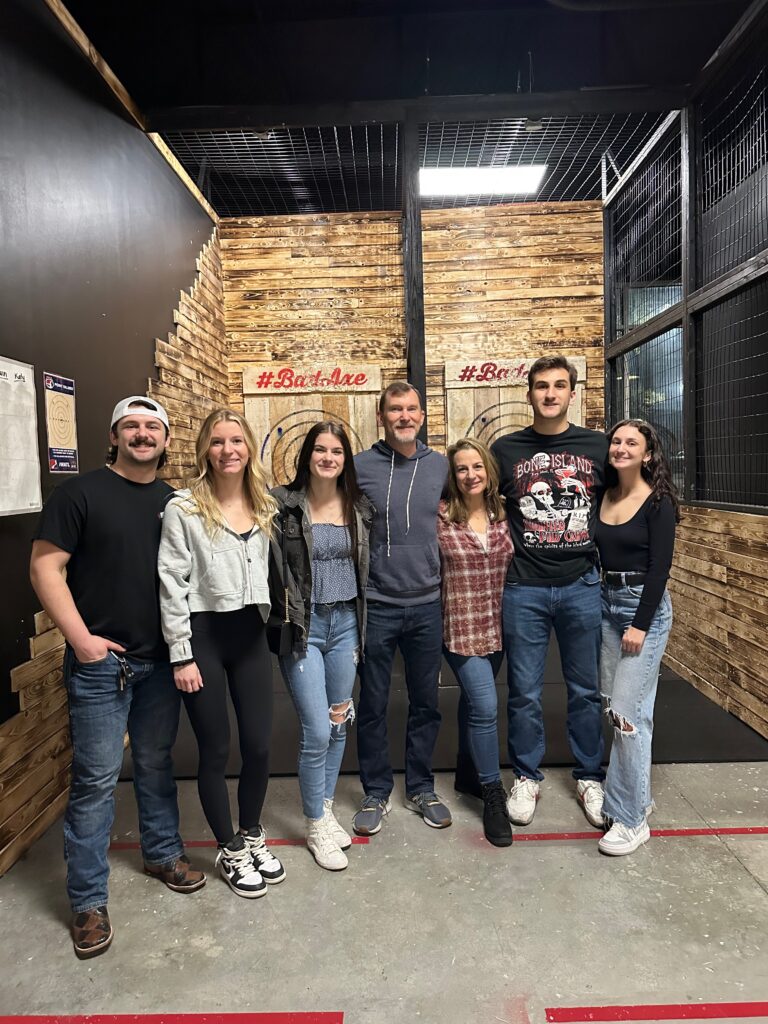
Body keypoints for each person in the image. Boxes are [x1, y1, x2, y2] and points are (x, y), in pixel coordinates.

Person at [30, 396, 205, 961]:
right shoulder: (79, 494)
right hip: (102, 666)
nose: (142, 434)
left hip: (160, 664)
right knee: (96, 781)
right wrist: (83, 644)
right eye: (130, 425)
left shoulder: (176, 502)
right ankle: (86, 901)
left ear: (166, 440)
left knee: (156, 764)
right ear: (114, 436)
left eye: (152, 426)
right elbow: (44, 566)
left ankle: (161, 853)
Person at [158, 408, 285, 898]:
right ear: (204, 450)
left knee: (257, 745)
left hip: (249, 638)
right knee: (215, 748)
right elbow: (170, 582)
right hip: (202, 638)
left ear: (248, 447)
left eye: (236, 440)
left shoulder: (265, 505)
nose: (228, 449)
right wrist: (181, 654)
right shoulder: (184, 508)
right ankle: (228, 847)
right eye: (217, 441)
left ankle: (251, 834)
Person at [491, 356, 608, 828]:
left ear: (572, 392)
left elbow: (623, 501)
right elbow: (475, 499)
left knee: (585, 689)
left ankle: (589, 775)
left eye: (560, 385)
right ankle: (526, 775)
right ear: (530, 394)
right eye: (542, 386)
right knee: (524, 692)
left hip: (581, 583)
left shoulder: (597, 446)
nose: (550, 394)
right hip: (524, 587)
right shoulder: (505, 449)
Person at [271, 422, 373, 870]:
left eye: (336, 451)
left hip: (347, 624)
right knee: (315, 730)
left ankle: (326, 807)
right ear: (307, 455)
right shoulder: (284, 505)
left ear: (345, 458)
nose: (328, 457)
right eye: (320, 449)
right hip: (304, 628)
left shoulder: (360, 507)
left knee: (337, 723)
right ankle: (314, 824)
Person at [352, 381, 451, 835]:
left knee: (425, 702)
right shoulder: (358, 468)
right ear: (382, 416)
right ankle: (375, 790)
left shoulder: (442, 467)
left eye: (412, 409)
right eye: (396, 409)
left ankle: (421, 786)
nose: (405, 416)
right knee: (371, 703)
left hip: (428, 604)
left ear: (422, 416)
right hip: (377, 606)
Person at [595, 419, 678, 856]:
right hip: (605, 602)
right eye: (616, 440)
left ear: (647, 454)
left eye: (632, 443)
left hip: (639, 608)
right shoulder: (604, 495)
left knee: (629, 714)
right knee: (616, 707)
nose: (621, 447)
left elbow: (660, 570)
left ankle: (631, 820)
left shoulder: (658, 502)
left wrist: (640, 625)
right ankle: (633, 798)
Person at [437, 438, 514, 847]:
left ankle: (467, 771)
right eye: (462, 469)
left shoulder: (506, 513)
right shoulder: (442, 517)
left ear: (488, 470)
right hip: (461, 629)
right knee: (485, 706)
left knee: (473, 704)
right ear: (454, 475)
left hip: (501, 628)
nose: (471, 475)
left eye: (477, 467)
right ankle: (492, 793)